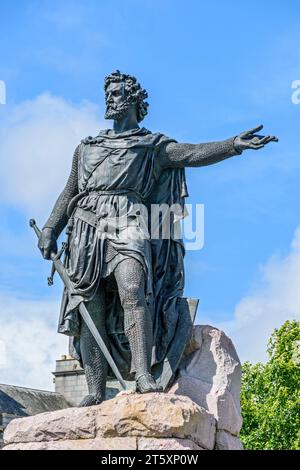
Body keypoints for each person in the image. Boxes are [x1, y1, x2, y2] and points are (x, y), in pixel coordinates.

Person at [38, 71, 278, 406]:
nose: (110, 98)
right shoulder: (86, 149)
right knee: (89, 306)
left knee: (134, 290)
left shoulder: (151, 146)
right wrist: (51, 228)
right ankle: (94, 390)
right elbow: (68, 194)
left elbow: (192, 154)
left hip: (129, 220)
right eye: (107, 92)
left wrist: (233, 145)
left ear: (135, 100)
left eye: (118, 93)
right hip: (85, 228)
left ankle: (143, 374)